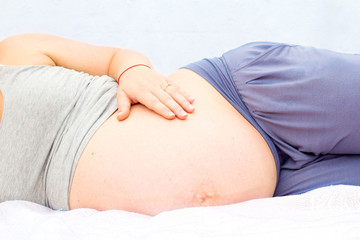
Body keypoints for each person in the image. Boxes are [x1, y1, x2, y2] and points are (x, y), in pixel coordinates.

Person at [0, 34, 359, 216]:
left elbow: (114, 57)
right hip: (276, 188)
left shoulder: (14, 54)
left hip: (250, 97)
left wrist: (132, 72)